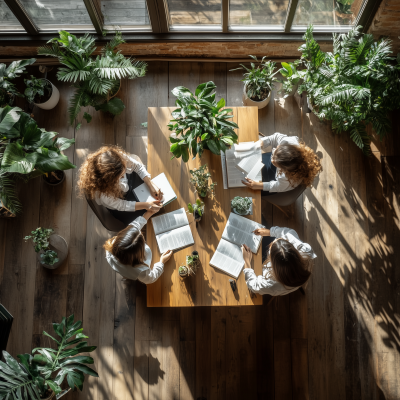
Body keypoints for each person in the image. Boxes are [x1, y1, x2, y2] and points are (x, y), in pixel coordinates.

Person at [77, 145, 163, 224]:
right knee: (148, 215)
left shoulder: (117, 159)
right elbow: (122, 205)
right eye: (121, 176)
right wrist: (146, 205)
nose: (124, 175)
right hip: (120, 205)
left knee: (153, 203)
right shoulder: (103, 195)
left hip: (127, 189)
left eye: (124, 172)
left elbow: (137, 166)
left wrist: (151, 185)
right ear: (110, 182)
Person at [104, 207, 173, 283]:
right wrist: (161, 262)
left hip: (120, 266)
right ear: (138, 254)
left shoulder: (116, 243)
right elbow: (151, 278)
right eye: (143, 241)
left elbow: (135, 225)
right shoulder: (140, 271)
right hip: (129, 272)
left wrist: (149, 213)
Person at [241, 226, 317, 296]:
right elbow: (288, 232)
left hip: (271, 279)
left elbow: (253, 285)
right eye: (279, 239)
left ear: (272, 262)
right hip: (296, 277)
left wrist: (247, 261)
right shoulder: (306, 251)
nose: (275, 240)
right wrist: (269, 232)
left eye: (270, 249)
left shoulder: (272, 284)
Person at [242, 132, 322, 196]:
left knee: (248, 190)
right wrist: (260, 143)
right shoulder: (288, 142)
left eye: (275, 162)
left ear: (283, 169)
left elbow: (277, 186)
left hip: (276, 181)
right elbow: (274, 138)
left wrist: (258, 185)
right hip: (280, 166)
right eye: (274, 152)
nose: (272, 160)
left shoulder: (288, 178)